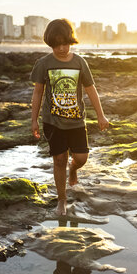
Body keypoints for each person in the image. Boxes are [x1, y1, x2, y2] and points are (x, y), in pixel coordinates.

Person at [30, 18, 109, 216]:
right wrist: (34, 120)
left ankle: (73, 170)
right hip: (52, 121)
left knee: (81, 157)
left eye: (65, 43)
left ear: (70, 41)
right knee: (59, 159)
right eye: (56, 45)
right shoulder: (44, 64)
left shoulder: (79, 62)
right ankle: (62, 199)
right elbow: (38, 93)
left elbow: (91, 90)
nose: (62, 48)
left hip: (76, 121)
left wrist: (101, 116)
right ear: (50, 43)